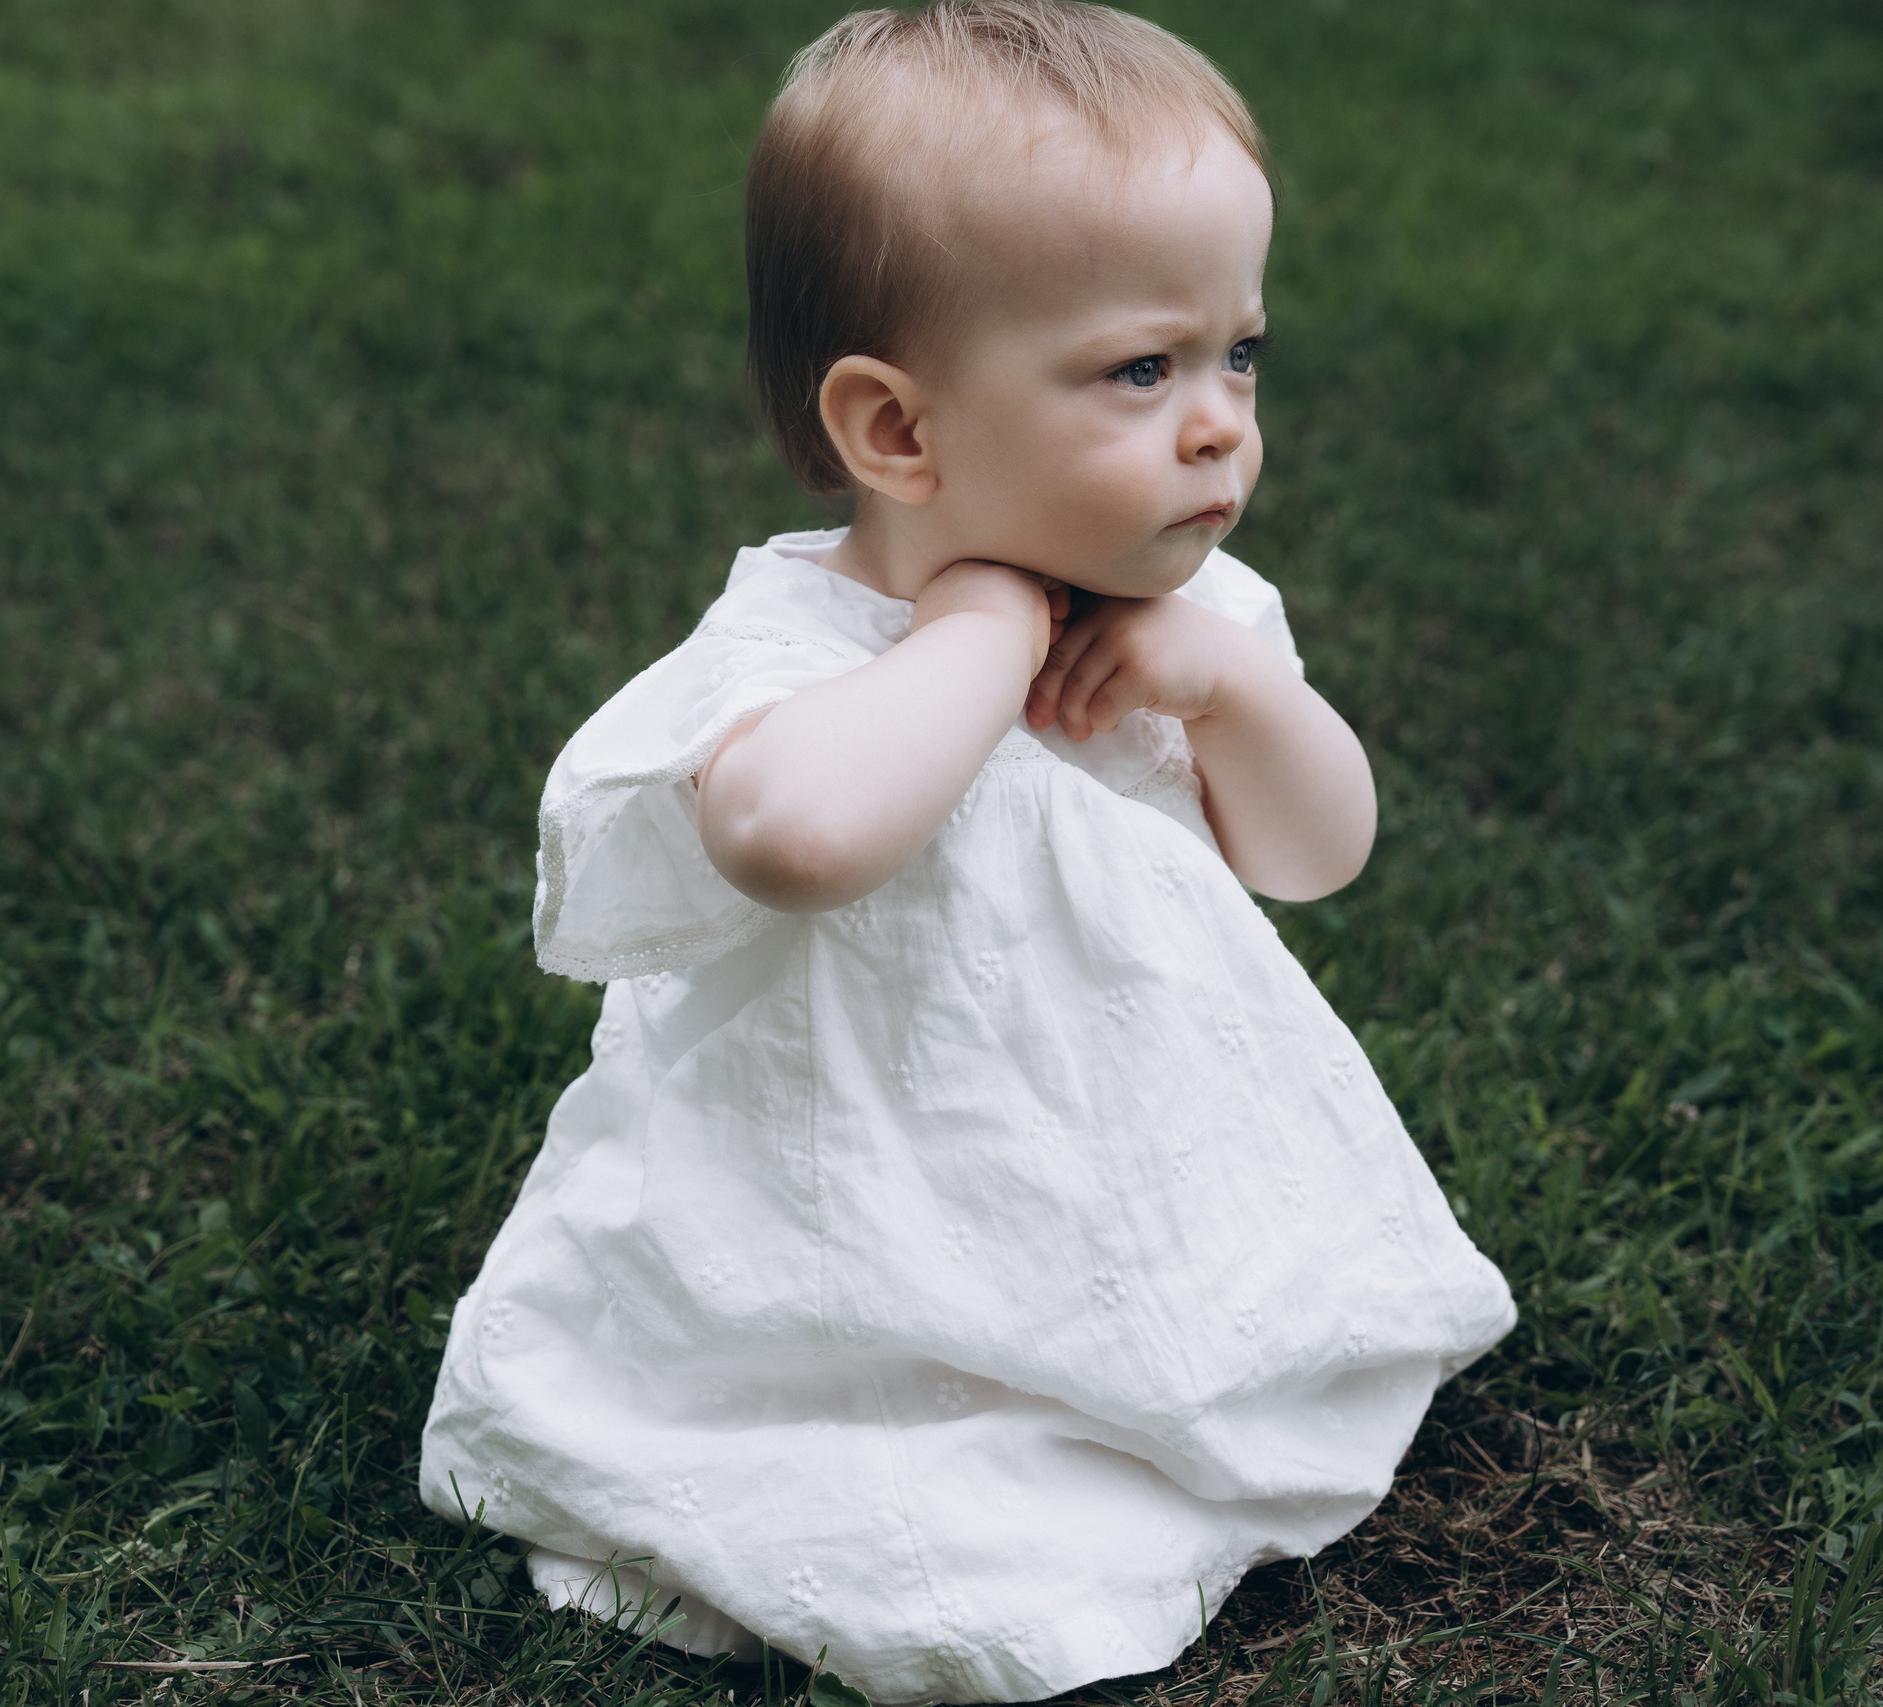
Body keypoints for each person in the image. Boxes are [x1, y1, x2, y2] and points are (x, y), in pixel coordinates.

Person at [418, 4, 1517, 1700]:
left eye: (1242, 354)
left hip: (1128, 1142)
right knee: (894, 1457)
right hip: (850, 1177)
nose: (1220, 421)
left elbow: (1316, 854)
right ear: (900, 434)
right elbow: (796, 839)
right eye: (1143, 370)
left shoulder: (1193, 618)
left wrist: (1232, 691)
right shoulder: (800, 650)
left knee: (1171, 1340)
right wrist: (983, 631)